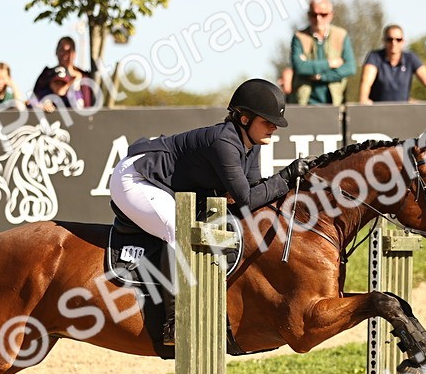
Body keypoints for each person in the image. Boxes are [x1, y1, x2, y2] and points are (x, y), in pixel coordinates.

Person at [109, 79, 311, 345]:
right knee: (178, 231)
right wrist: (284, 177)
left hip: (163, 182)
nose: (274, 127)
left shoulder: (250, 145)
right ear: (244, 118)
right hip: (137, 177)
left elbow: (250, 194)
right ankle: (174, 324)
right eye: (267, 121)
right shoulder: (223, 142)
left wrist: (270, 187)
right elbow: (247, 198)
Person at [290, 0, 356, 105]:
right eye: (314, 15)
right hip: (305, 102)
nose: (318, 19)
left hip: (335, 102)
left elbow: (350, 68)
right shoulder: (299, 37)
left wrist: (321, 77)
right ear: (308, 15)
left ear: (331, 15)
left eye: (323, 14)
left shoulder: (341, 35)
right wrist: (331, 63)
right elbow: (299, 67)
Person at [358, 24, 426, 103]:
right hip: (378, 112)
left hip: (403, 112)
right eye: (389, 39)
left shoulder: (410, 58)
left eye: (398, 39)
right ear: (384, 41)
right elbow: (366, 81)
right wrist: (363, 99)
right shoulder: (374, 57)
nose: (394, 43)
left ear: (403, 41)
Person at [31, 36, 95, 110]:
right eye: (61, 50)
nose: (65, 54)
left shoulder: (84, 76)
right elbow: (34, 99)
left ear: (74, 54)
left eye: (68, 51)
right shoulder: (46, 75)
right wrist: (44, 104)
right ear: (56, 52)